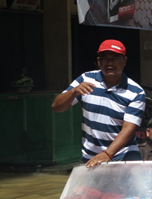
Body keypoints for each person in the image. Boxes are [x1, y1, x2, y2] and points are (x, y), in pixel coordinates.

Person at [52, 39, 145, 167]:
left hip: (124, 154)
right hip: (91, 157)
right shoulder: (86, 79)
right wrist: (73, 92)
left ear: (124, 61)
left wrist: (107, 154)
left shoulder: (136, 92)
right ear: (99, 61)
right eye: (105, 58)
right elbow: (57, 107)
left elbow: (129, 128)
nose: (110, 62)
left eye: (115, 58)